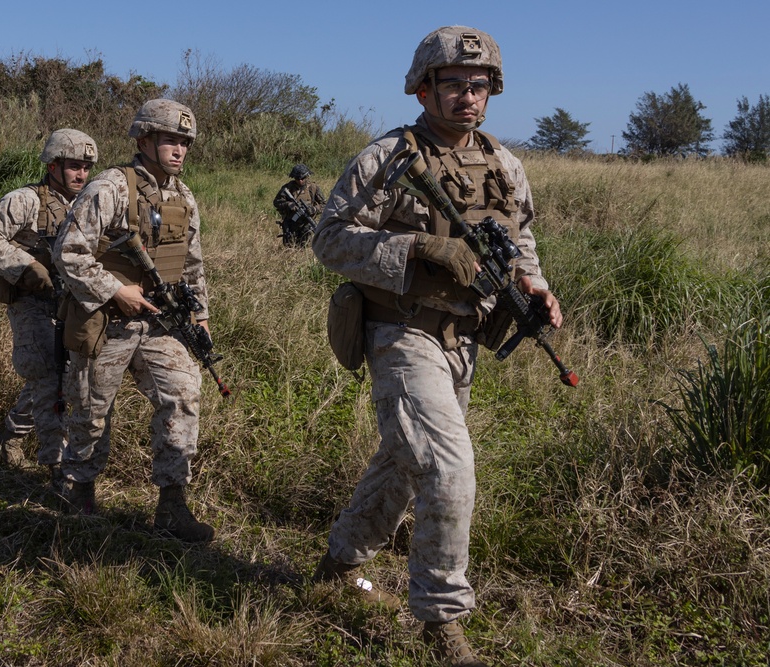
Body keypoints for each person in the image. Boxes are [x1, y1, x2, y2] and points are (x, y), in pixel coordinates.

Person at [310, 26, 564, 666]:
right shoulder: (388, 157)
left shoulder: (504, 165)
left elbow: (521, 242)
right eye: (453, 85)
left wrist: (534, 288)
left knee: (404, 459)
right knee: (447, 469)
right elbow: (330, 240)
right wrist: (417, 248)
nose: (468, 98)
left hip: (464, 339)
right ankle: (440, 621)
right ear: (424, 90)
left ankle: (340, 560)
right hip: (399, 330)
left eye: (480, 86)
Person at [51, 99, 215, 543]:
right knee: (90, 411)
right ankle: (79, 493)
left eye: (185, 142)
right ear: (143, 139)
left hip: (161, 323)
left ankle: (172, 505)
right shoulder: (111, 187)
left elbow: (193, 265)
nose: (179, 150)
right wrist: (115, 291)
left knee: (182, 395)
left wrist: (199, 317)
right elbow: (68, 251)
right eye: (169, 140)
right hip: (105, 320)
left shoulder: (183, 196)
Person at [0, 129, 98, 477]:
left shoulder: (86, 203)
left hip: (71, 303)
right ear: (53, 165)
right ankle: (56, 468)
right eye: (74, 166)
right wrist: (26, 265)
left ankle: (10, 436)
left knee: (59, 376)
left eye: (87, 168)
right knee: (47, 373)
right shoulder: (26, 200)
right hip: (33, 302)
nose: (82, 174)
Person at [272, 163, 326, 247]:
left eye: (302, 178)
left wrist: (314, 209)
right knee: (289, 248)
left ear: (307, 176)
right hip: (291, 224)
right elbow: (276, 202)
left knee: (305, 248)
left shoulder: (313, 188)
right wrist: (288, 204)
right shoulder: (288, 188)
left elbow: (324, 205)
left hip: (307, 224)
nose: (300, 181)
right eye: (297, 178)